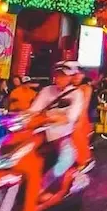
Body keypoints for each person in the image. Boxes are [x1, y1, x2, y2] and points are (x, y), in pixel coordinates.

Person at [29, 61, 86, 200]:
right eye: (57, 75)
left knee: (66, 159)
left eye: (63, 76)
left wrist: (54, 118)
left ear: (70, 77)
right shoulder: (46, 90)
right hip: (40, 133)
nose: (59, 78)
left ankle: (42, 187)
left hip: (61, 135)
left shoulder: (76, 94)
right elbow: (33, 110)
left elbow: (71, 117)